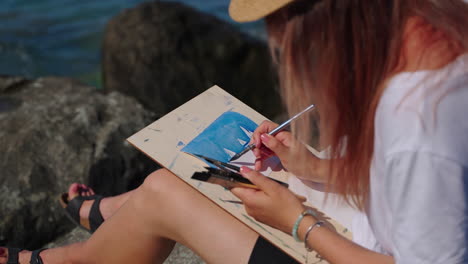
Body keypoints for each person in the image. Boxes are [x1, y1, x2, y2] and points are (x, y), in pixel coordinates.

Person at [2, 0, 468, 263]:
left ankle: (68, 259)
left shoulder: (415, 123)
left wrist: (298, 223)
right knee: (214, 172)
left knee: (168, 190)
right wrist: (318, 166)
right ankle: (108, 219)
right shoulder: (444, 30)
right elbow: (421, 187)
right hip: (374, 219)